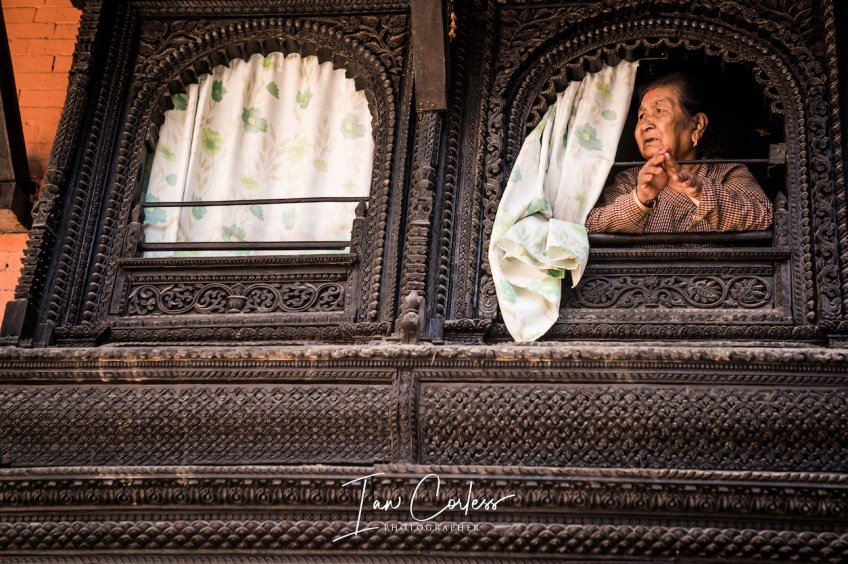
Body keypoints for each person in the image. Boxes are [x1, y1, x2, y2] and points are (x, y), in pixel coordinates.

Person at [584, 72, 773, 233]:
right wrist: (640, 199)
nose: (644, 125)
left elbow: (765, 216)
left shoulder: (727, 173)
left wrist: (699, 190)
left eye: (659, 110)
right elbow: (591, 224)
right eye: (641, 115)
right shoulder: (630, 180)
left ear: (697, 125)